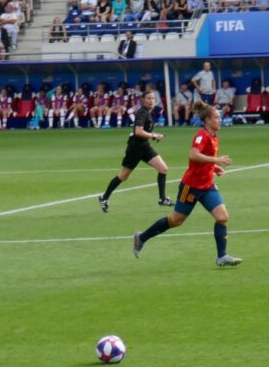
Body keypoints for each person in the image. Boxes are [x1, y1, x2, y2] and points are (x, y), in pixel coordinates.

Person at [132, 101, 242, 267]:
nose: (220, 120)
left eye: (219, 117)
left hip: (207, 186)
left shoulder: (214, 136)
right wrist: (216, 160)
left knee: (222, 217)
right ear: (207, 120)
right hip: (190, 187)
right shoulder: (201, 136)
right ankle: (141, 238)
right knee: (176, 220)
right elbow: (193, 155)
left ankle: (222, 256)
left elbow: (202, 161)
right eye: (216, 117)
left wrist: (213, 168)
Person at [98, 90, 171, 212]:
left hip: (144, 146)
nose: (151, 101)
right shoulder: (142, 113)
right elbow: (138, 132)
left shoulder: (149, 112)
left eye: (153, 98)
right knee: (123, 176)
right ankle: (104, 197)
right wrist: (154, 135)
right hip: (135, 148)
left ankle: (162, 199)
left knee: (163, 168)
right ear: (143, 100)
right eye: (148, 98)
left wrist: (153, 135)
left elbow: (144, 132)